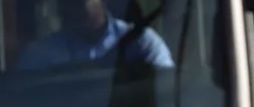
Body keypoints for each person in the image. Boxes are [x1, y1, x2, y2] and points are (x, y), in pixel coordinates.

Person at [16, 0, 173, 71]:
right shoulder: (41, 55)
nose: (73, 8)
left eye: (81, 1)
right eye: (67, 2)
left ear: (104, 2)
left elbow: (166, 87)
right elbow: (21, 100)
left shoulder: (142, 42)